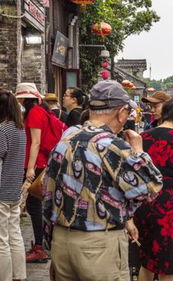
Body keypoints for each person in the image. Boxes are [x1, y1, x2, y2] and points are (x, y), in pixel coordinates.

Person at [42, 80, 163, 281]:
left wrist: (50, 243)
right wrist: (140, 151)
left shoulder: (66, 139)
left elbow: (48, 192)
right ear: (121, 112)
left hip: (62, 242)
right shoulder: (113, 145)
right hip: (98, 245)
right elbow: (151, 188)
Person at [134, 97, 173, 281]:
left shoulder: (144, 136)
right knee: (167, 264)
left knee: (147, 259)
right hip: (168, 206)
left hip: (144, 203)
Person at [15, 83, 53, 263]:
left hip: (36, 164)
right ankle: (41, 244)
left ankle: (40, 246)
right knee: (35, 206)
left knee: (34, 206)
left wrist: (30, 168)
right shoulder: (38, 111)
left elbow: (36, 143)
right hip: (37, 162)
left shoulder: (35, 113)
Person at [0, 89, 27, 281]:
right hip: (15, 188)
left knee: (2, 240)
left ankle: (5, 277)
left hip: (2, 189)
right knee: (15, 234)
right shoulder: (20, 129)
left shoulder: (2, 130)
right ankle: (19, 274)